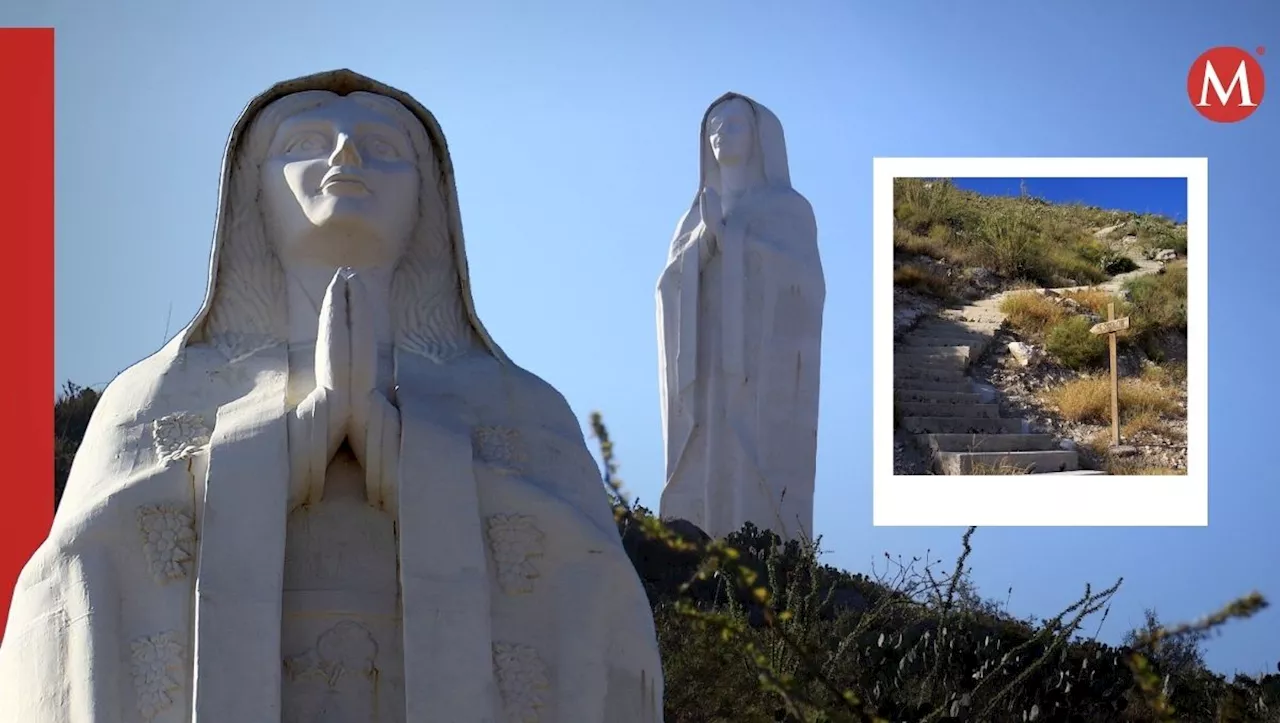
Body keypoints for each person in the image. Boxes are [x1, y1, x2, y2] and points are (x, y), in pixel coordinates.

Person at [1, 69, 662, 723]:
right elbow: (70, 578)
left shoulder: (518, 403)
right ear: (254, 192)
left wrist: (401, 453)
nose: (346, 154)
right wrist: (285, 447)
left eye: (385, 148)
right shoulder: (157, 392)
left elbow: (600, 592)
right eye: (307, 142)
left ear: (427, 203)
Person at [656, 93, 825, 542]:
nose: (719, 136)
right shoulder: (691, 219)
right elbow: (667, 288)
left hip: (758, 370)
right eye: (712, 127)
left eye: (732, 126)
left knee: (751, 454)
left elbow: (805, 285)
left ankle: (766, 543)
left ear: (758, 139)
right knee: (705, 446)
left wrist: (734, 242)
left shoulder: (787, 208)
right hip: (705, 359)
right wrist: (704, 246)